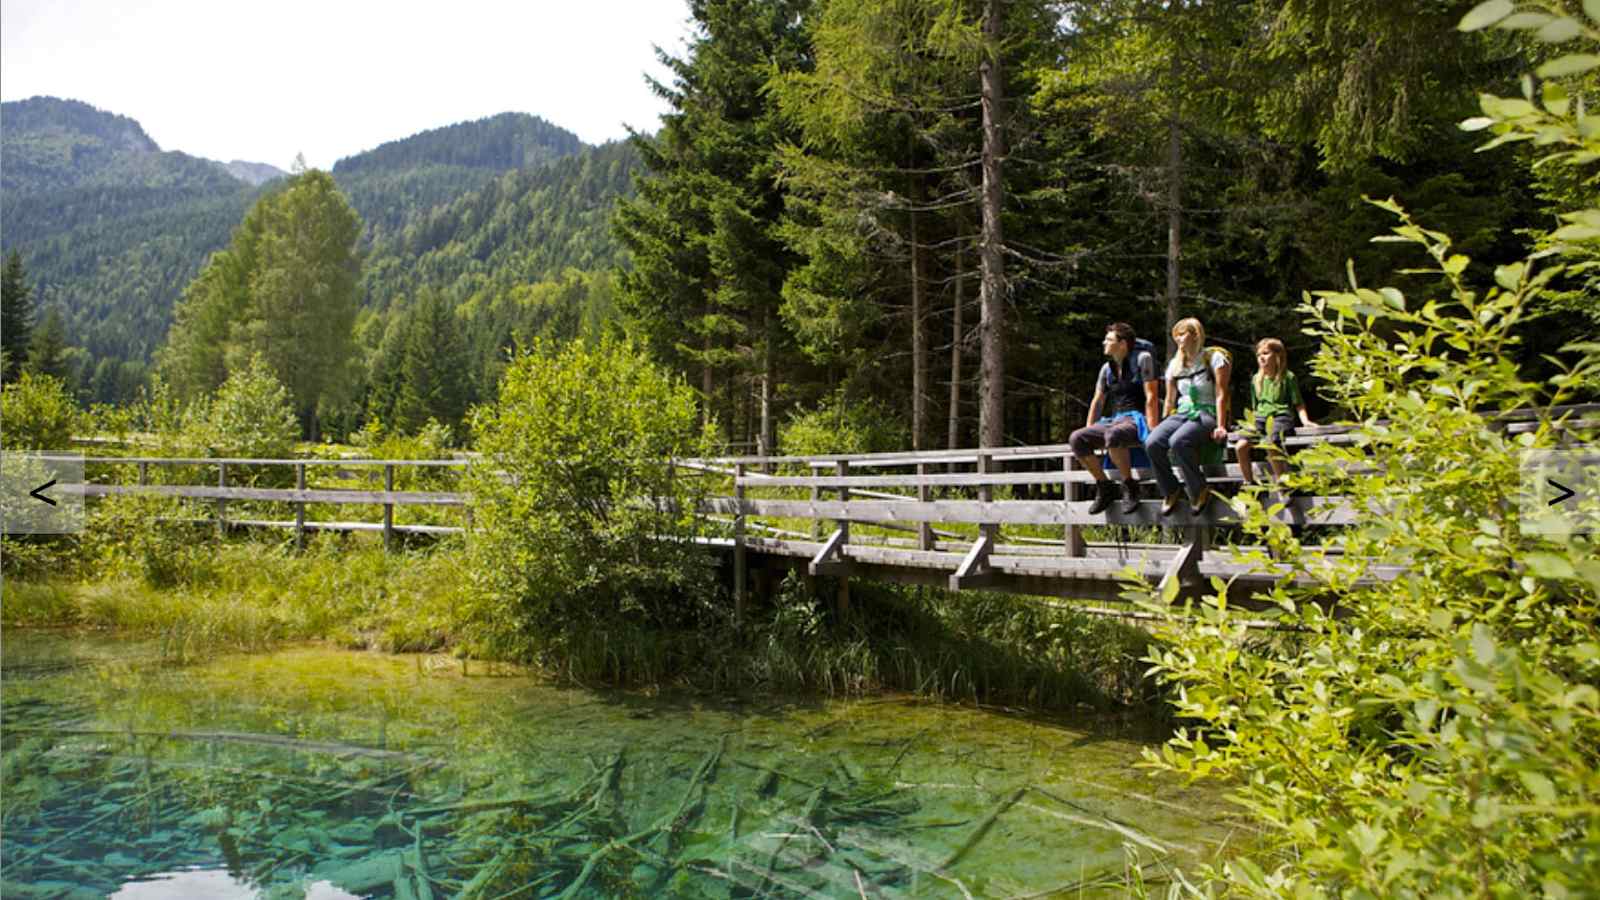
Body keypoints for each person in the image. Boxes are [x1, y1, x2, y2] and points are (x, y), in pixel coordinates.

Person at [1069, 322, 1160, 515]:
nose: (1104, 343)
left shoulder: (1143, 359)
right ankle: (1104, 485)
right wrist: (1089, 429)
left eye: (1109, 339)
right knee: (1077, 438)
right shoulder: (1107, 369)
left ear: (1123, 344)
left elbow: (1151, 396)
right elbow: (1098, 400)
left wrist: (1153, 430)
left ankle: (1129, 485)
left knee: (1113, 434)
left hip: (1137, 418)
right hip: (1115, 419)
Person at [1146, 317, 1231, 516]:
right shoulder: (1175, 365)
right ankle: (1171, 489)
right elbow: (1169, 399)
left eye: (1183, 334)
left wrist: (1221, 425)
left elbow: (1221, 394)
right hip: (1182, 412)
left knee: (1179, 441)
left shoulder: (1215, 358)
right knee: (1152, 443)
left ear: (1196, 335)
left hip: (1206, 411)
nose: (1178, 339)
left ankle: (1198, 488)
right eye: (1176, 335)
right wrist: (1163, 423)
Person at [1235, 337, 1316, 486]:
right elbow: (1255, 406)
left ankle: (1282, 483)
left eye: (1265, 353)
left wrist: (1305, 421)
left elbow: (1298, 403)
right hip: (1260, 417)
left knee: (1270, 443)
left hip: (1280, 415)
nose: (1261, 358)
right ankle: (1248, 482)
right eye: (1259, 355)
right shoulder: (1256, 379)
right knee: (1240, 446)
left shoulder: (1287, 377)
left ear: (1277, 355)